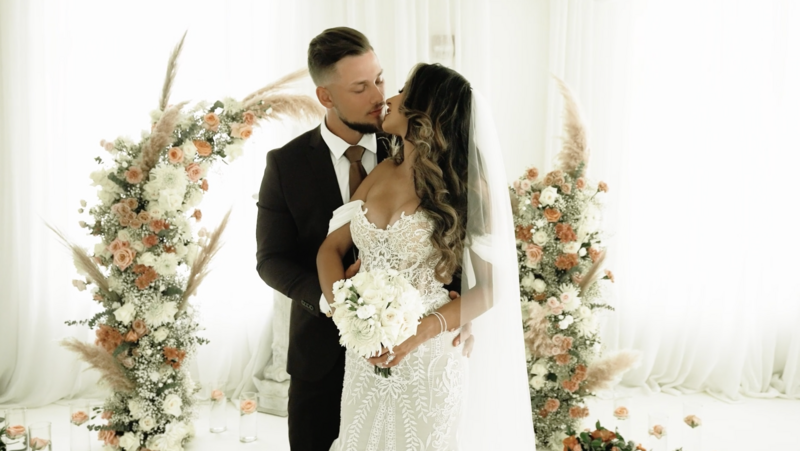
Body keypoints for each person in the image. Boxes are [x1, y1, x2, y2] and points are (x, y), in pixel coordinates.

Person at [255, 28, 465, 451]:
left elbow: (458, 244)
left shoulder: (415, 143)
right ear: (326, 96)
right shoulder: (286, 164)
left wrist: (458, 314)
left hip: (418, 352)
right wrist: (342, 306)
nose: (379, 95)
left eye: (382, 79)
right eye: (360, 87)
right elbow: (271, 259)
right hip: (320, 354)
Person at [318, 63, 535, 450]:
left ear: (426, 110)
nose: (390, 98)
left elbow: (489, 288)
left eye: (402, 90)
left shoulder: (467, 186)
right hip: (365, 353)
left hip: (430, 356)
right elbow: (330, 249)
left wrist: (419, 333)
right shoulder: (382, 170)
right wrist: (346, 313)